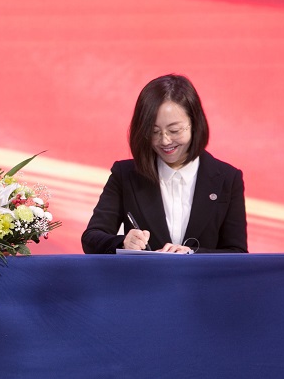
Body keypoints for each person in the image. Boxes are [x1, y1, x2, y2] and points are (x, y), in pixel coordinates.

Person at [81, 74, 247, 254]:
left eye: (174, 130)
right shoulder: (125, 175)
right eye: (154, 132)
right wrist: (123, 243)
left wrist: (192, 254)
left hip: (202, 274)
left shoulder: (227, 179)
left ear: (194, 123)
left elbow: (237, 252)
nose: (165, 141)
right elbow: (91, 238)